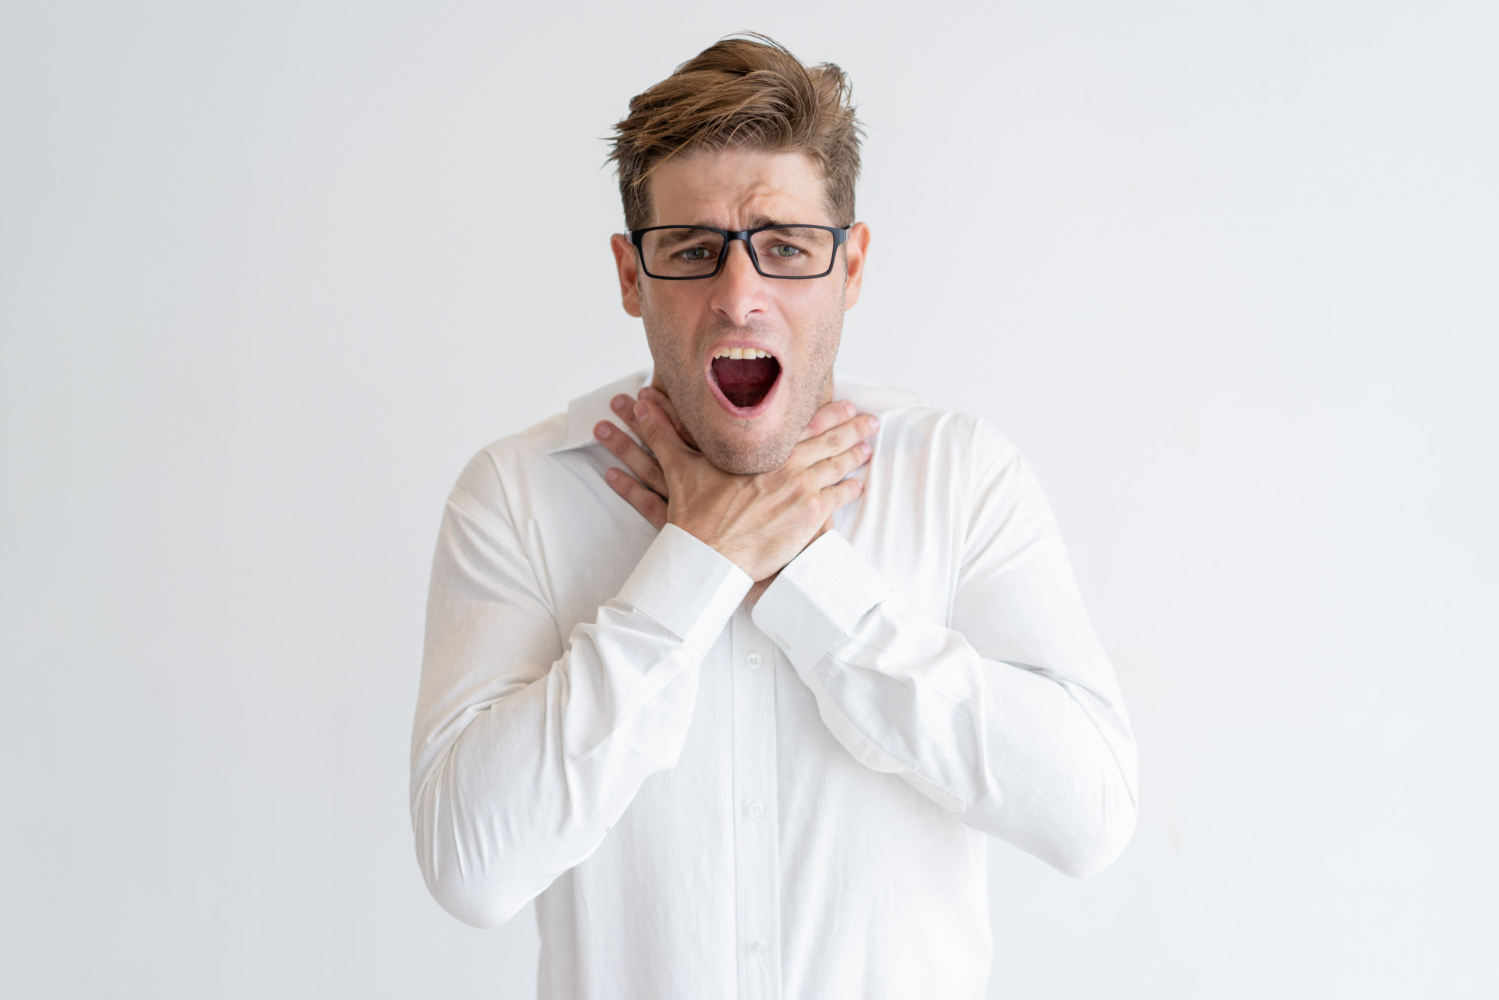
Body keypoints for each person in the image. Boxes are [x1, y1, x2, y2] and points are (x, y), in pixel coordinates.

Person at [409, 34, 1137, 1000]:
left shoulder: (962, 476)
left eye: (785, 248)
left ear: (852, 265)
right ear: (630, 275)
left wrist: (811, 578)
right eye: (692, 251)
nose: (739, 298)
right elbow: (471, 868)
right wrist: (696, 560)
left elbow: (1089, 814)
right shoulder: (518, 494)